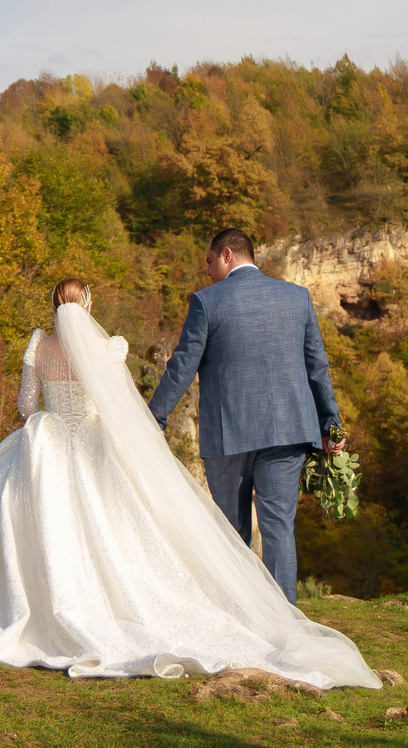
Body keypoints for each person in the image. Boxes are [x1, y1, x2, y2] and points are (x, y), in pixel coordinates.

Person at [0, 278, 377, 688]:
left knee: (51, 531)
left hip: (48, 447)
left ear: (52, 307)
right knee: (120, 531)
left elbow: (26, 406)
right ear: (88, 303)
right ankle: (273, 610)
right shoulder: (108, 349)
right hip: (97, 443)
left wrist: (52, 413)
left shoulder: (38, 347)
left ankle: (45, 614)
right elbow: (116, 403)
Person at [144, 228, 343, 604]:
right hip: (288, 431)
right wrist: (331, 424)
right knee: (278, 528)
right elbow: (318, 366)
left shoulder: (206, 302)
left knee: (231, 533)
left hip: (228, 434)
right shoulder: (297, 298)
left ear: (227, 256)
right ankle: (286, 622)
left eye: (209, 261)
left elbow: (183, 367)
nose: (207, 270)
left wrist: (154, 415)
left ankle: (242, 617)